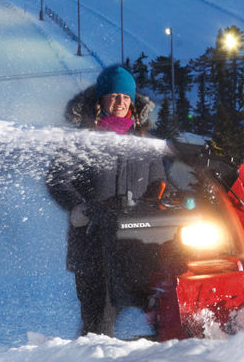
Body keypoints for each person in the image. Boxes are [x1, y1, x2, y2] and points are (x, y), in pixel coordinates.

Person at [46, 65, 165, 337]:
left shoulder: (144, 142)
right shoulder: (81, 140)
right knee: (98, 323)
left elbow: (159, 181)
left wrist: (157, 200)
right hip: (93, 244)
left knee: (160, 319)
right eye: (113, 96)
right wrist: (79, 208)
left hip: (139, 247)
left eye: (125, 96)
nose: (120, 102)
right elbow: (57, 180)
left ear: (133, 101)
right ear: (100, 100)